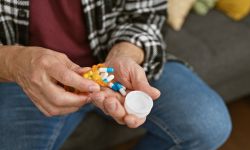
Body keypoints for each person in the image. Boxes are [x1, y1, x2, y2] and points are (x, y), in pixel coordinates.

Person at [0, 0, 231, 150]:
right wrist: (13, 61)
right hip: (24, 75)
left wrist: (126, 55)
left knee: (210, 123)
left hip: (113, 63)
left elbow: (148, 15)